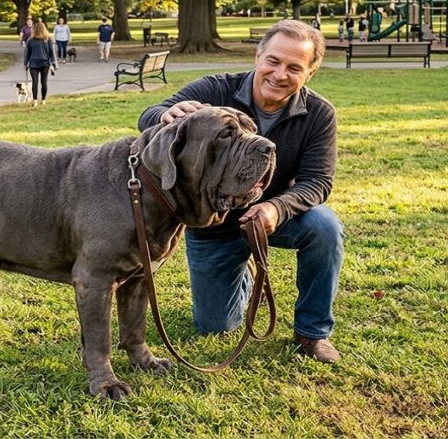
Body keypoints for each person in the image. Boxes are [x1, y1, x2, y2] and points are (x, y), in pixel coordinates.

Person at [137, 19, 342, 364]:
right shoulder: (215, 90)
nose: (279, 74)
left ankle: (312, 332)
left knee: (324, 227)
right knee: (216, 325)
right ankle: (245, 275)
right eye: (273, 61)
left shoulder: (319, 114)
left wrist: (277, 208)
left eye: (295, 67)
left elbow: (318, 181)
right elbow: (148, 116)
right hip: (212, 226)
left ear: (310, 73)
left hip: (270, 217)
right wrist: (164, 114)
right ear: (258, 56)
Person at [23, 20, 57, 106]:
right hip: (44, 63)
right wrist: (53, 63)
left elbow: (27, 53)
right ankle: (43, 99)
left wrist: (25, 63)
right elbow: (51, 52)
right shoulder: (47, 39)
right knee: (43, 82)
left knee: (35, 82)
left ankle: (35, 100)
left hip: (34, 64)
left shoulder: (31, 40)